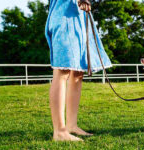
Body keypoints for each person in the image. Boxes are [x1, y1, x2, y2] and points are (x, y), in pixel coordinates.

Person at [45, 0, 112, 141]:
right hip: (63, 15)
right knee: (62, 70)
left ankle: (71, 126)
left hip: (80, 16)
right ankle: (59, 131)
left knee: (77, 73)